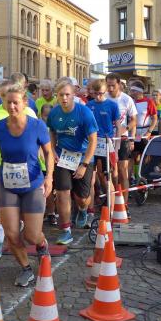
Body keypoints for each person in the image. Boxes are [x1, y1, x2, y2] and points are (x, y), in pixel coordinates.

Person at [0, 83, 54, 287]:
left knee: (31, 235)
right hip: (7, 185)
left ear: (24, 103)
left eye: (15, 102)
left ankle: (41, 245)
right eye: (8, 102)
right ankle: (26, 268)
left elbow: (48, 153)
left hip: (33, 185)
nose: (12, 106)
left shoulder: (37, 125)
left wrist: (49, 177)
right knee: (12, 234)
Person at [0, 81, 38, 257]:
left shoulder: (30, 114)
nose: (10, 104)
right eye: (4, 97)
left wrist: (46, 174)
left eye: (14, 100)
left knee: (28, 226)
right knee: (3, 212)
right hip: (1, 167)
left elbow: (37, 143)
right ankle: (0, 240)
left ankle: (25, 229)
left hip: (28, 171)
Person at [47, 79, 98, 244]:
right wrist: (52, 150)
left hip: (83, 157)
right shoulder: (54, 113)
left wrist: (84, 164)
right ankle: (66, 230)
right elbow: (52, 132)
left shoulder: (85, 112)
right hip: (62, 157)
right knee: (62, 193)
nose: (64, 98)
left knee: (82, 198)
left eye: (67, 95)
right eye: (61, 95)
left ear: (74, 95)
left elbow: (93, 140)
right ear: (57, 96)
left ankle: (83, 209)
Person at [86, 79, 121, 204]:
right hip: (92, 143)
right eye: (95, 94)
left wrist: (116, 149)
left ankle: (112, 205)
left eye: (100, 93)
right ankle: (90, 209)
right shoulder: (89, 105)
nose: (98, 96)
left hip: (106, 143)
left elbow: (118, 127)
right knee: (90, 178)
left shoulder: (112, 105)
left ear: (105, 91)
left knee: (108, 176)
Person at [105, 74, 137, 204]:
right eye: (108, 85)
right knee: (110, 171)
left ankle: (124, 203)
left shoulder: (126, 99)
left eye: (113, 85)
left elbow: (134, 120)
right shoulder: (104, 97)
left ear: (119, 84)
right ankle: (113, 199)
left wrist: (126, 129)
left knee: (123, 170)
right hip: (107, 139)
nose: (110, 88)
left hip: (122, 138)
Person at [129, 81, 157, 177]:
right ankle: (136, 176)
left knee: (145, 156)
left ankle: (146, 175)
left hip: (144, 132)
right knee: (134, 155)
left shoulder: (149, 102)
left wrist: (149, 131)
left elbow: (155, 118)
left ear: (139, 91)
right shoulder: (131, 101)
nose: (131, 92)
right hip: (134, 133)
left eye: (133, 90)